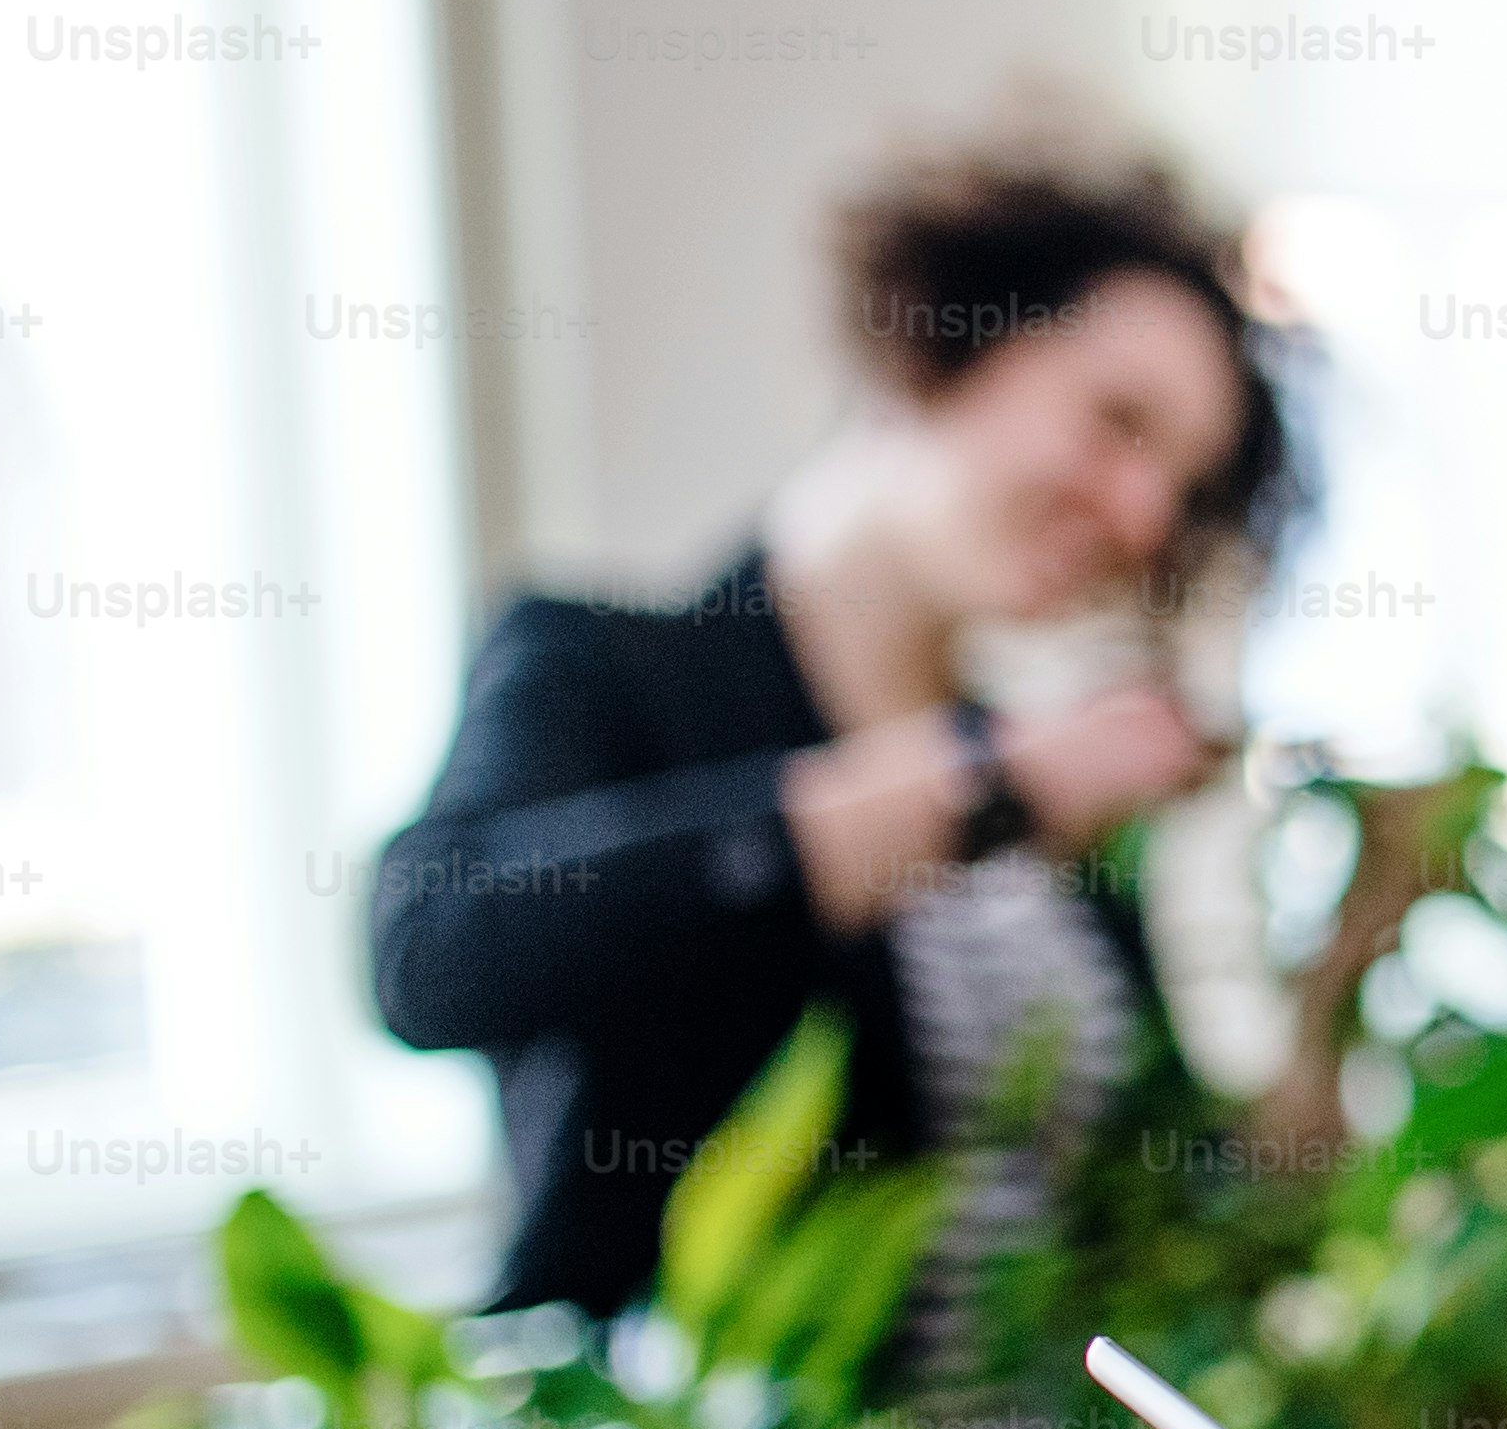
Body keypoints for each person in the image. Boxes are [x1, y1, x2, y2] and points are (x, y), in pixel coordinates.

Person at [371, 135, 1290, 1318]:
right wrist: (980, 790)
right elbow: (427, 955)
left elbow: (1163, 1212)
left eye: (1181, 485)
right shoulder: (605, 670)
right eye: (1119, 422)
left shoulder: (1052, 786)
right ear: (945, 337)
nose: (1143, 513)